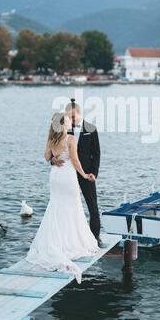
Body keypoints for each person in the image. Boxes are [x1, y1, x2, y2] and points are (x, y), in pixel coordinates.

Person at [26, 112, 100, 284]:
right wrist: (85, 174)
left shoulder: (51, 139)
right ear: (64, 124)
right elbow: (75, 160)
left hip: (55, 177)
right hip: (67, 177)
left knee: (56, 207)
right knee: (73, 208)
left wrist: (54, 158)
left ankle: (58, 241)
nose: (70, 122)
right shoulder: (70, 139)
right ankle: (71, 242)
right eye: (67, 121)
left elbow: (46, 157)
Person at [51, 102, 105, 248]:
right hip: (67, 173)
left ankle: (95, 238)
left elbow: (97, 153)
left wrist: (94, 173)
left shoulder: (91, 129)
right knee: (67, 207)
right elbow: (52, 149)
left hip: (86, 173)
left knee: (93, 207)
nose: (71, 120)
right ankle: (66, 239)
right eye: (68, 117)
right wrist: (52, 160)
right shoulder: (64, 128)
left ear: (80, 113)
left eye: (73, 117)